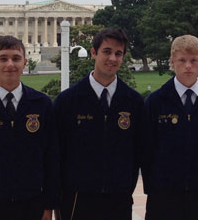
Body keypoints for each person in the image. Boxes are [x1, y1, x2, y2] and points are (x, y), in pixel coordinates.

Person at [54, 28, 143, 220]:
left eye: (118, 53)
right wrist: (55, 199)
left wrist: (126, 186)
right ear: (93, 53)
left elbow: (138, 151)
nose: (112, 58)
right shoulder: (67, 101)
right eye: (107, 51)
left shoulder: (133, 102)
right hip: (77, 199)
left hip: (118, 198)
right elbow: (55, 153)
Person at [141, 35, 198, 220]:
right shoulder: (156, 101)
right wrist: (154, 185)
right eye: (182, 60)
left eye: (193, 60)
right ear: (172, 62)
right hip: (165, 193)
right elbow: (147, 149)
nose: (188, 66)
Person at [0, 36, 59, 220]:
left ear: (24, 62)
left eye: (16, 58)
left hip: (31, 203)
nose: (10, 64)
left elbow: (51, 158)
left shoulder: (42, 104)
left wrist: (49, 204)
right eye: (3, 58)